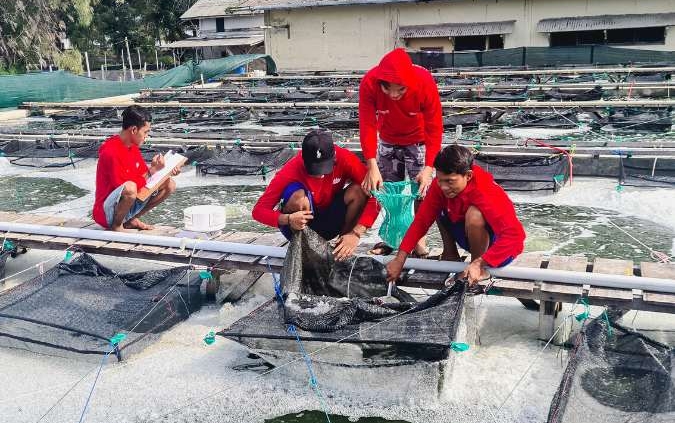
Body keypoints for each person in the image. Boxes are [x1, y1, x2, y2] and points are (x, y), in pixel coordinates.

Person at [386, 145, 526, 285]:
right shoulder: (439, 186)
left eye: (450, 181)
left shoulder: (487, 191)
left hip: (499, 250)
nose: (444, 186)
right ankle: (451, 254)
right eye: (440, 180)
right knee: (433, 206)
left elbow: (516, 237)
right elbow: (421, 222)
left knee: (474, 214)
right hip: (467, 238)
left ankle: (478, 269)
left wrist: (479, 263)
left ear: (468, 175)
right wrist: (400, 258)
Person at [359, 47, 443, 256]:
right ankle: (391, 239)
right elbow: (367, 125)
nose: (394, 95)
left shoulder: (424, 82)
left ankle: (418, 242)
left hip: (419, 140)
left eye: (401, 90)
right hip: (387, 139)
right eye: (388, 89)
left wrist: (429, 166)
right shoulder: (369, 83)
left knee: (421, 190)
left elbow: (435, 126)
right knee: (389, 190)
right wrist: (371, 165)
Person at [252, 130, 379, 260]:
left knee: (359, 190)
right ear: (302, 158)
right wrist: (288, 219)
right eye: (314, 170)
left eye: (324, 168)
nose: (320, 175)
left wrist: (356, 233)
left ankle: (343, 245)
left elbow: (378, 195)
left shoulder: (345, 158)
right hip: (298, 225)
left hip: (328, 221)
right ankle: (304, 246)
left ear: (334, 157)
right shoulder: (290, 170)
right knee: (299, 198)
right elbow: (258, 211)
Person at [92, 105, 181, 232]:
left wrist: (165, 172)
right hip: (105, 213)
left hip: (124, 205)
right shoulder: (110, 151)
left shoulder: (132, 147)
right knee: (130, 188)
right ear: (134, 130)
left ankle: (130, 220)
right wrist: (153, 170)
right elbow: (126, 188)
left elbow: (143, 176)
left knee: (169, 184)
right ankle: (117, 226)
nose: (146, 136)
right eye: (145, 132)